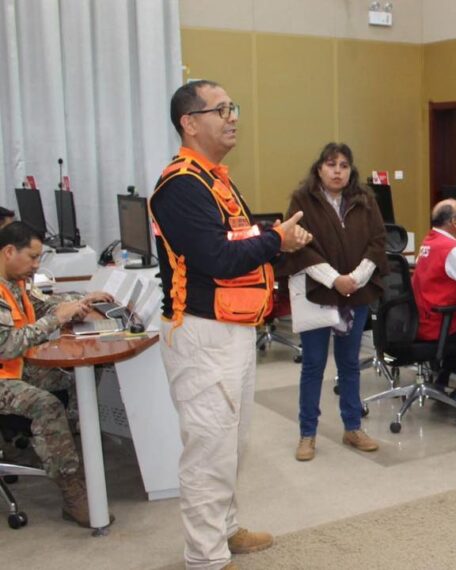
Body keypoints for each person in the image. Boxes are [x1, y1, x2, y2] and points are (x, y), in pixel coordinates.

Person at [149, 79, 311, 569]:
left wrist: (275, 239)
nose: (233, 117)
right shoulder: (181, 186)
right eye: (221, 110)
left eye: (232, 108)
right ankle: (206, 558)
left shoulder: (215, 180)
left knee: (230, 444)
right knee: (208, 451)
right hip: (203, 334)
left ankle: (224, 529)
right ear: (189, 123)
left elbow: (237, 241)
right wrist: (276, 240)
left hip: (232, 329)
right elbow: (217, 257)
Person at [279, 142, 388, 462]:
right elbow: (300, 247)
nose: (337, 171)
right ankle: (307, 434)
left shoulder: (365, 200)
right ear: (319, 169)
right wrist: (334, 280)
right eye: (331, 165)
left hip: (357, 292)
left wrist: (356, 278)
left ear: (351, 170)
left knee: (349, 363)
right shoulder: (303, 201)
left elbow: (377, 242)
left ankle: (353, 427)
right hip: (319, 293)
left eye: (344, 165)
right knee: (313, 364)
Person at [0, 221, 113, 528]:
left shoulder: (14, 280)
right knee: (45, 405)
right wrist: (54, 320)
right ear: (9, 252)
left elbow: (42, 303)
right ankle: (71, 491)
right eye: (32, 257)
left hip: (14, 370)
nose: (36, 265)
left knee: (77, 375)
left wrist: (81, 301)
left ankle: (65, 448)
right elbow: (7, 346)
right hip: (4, 374)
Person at [413, 198, 456, 417]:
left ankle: (441, 382)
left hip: (423, 321)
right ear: (454, 223)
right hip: (438, 325)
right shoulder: (451, 249)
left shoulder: (429, 242)